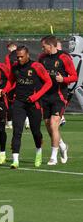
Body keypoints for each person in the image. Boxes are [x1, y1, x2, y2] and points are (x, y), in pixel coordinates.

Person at [8, 45, 52, 169]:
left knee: (35, 131)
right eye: (18, 57)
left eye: (22, 56)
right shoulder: (15, 67)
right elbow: (11, 82)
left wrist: (35, 96)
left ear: (27, 55)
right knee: (17, 131)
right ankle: (15, 160)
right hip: (19, 103)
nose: (19, 59)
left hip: (34, 103)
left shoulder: (37, 66)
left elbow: (49, 83)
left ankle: (39, 152)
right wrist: (4, 90)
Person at [38, 36, 77, 165]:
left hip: (59, 96)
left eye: (44, 46)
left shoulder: (64, 58)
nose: (42, 49)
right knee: (49, 126)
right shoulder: (42, 58)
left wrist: (63, 80)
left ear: (51, 45)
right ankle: (62, 146)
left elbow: (74, 76)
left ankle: (53, 157)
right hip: (45, 96)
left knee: (54, 125)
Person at [4, 42, 17, 130]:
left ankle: (9, 122)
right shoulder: (23, 54)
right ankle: (27, 120)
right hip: (23, 80)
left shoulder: (8, 57)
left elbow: (8, 71)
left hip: (13, 81)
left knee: (10, 102)